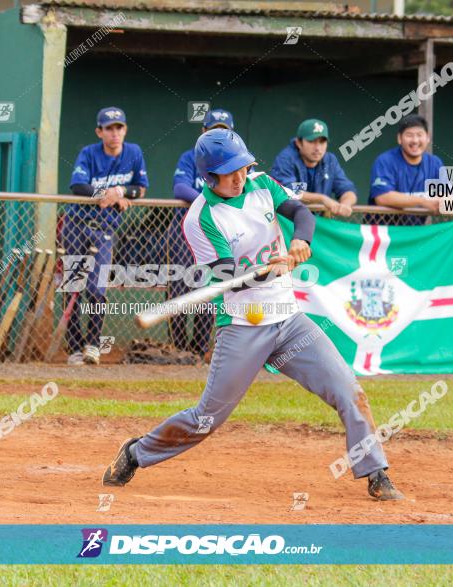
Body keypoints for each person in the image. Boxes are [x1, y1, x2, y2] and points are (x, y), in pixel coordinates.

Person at [101, 129, 403, 501]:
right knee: (206, 419)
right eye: (230, 171)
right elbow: (229, 278)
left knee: (349, 389)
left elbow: (300, 212)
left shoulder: (262, 183)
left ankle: (376, 471)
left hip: (288, 319)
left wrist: (299, 241)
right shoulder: (201, 218)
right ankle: (136, 453)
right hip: (244, 325)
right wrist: (267, 269)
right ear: (209, 177)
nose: (240, 175)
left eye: (242, 167)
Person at [65, 106, 148, 366]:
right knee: (73, 284)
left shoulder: (133, 153)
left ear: (125, 130)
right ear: (99, 132)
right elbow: (78, 186)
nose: (114, 133)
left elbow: (141, 188)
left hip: (104, 228)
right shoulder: (89, 153)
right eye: (109, 128)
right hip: (77, 223)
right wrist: (106, 195)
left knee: (97, 288)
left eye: (119, 127)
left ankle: (92, 345)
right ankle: (74, 347)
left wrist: (121, 191)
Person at [168, 108, 233, 358]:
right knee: (179, 287)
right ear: (203, 132)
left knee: (209, 289)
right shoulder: (190, 158)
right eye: (213, 130)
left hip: (216, 236)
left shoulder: (234, 166)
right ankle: (178, 348)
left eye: (223, 131)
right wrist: (207, 203)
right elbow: (180, 188)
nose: (218, 136)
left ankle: (197, 351)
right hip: (185, 233)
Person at [270, 118, 356, 217]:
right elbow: (287, 192)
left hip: (318, 222)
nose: (318, 148)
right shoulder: (286, 158)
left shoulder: (330, 160)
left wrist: (345, 204)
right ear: (299, 143)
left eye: (322, 142)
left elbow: (347, 189)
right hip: (287, 223)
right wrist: (322, 199)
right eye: (312, 141)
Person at [368, 114, 442, 226]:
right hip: (383, 235)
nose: (415, 140)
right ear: (399, 139)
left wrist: (444, 200)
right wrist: (423, 201)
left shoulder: (435, 163)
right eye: (409, 135)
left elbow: (449, 196)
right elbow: (383, 198)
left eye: (419, 135)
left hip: (414, 234)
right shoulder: (385, 160)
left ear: (427, 138)